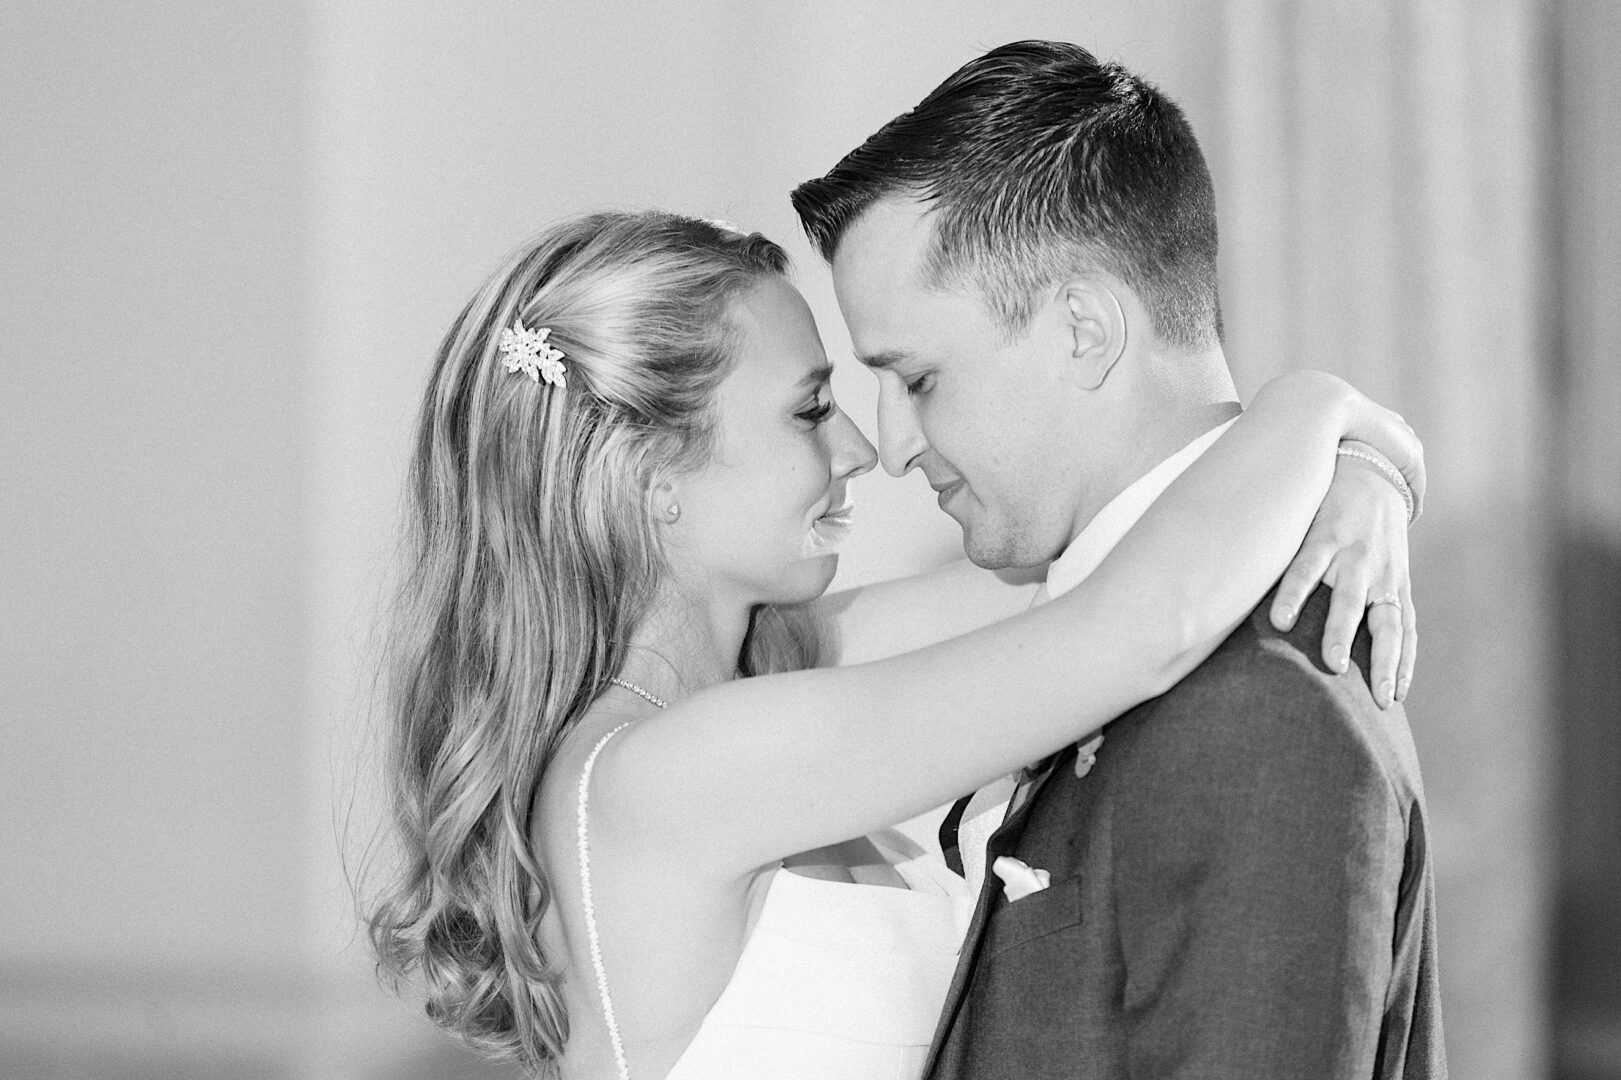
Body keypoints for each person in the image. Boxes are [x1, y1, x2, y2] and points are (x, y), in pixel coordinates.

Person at [365, 210, 1423, 1080]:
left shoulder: (774, 677)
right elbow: (1138, 627)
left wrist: (1366, 473)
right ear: (655, 483)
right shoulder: (672, 775)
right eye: (809, 409)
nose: (862, 447)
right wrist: (1317, 405)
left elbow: (1120, 552)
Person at [791, 39, 1444, 1080]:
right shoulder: (1067, 624)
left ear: (1083, 330)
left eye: (916, 378)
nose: (894, 444)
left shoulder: (1260, 705)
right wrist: (1356, 431)